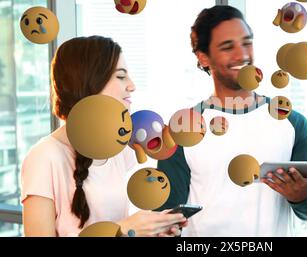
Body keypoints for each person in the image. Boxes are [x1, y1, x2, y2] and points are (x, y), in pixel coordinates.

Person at [157, 5, 307, 236]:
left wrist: (302, 196)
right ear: (203, 58)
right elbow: (166, 214)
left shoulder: (292, 123)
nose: (243, 55)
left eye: (247, 43)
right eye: (228, 47)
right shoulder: (183, 128)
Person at [21, 36, 187, 237]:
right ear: (90, 80)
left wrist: (151, 230)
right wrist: (124, 230)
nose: (132, 85)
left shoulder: (119, 150)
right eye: (121, 76)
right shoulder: (44, 157)